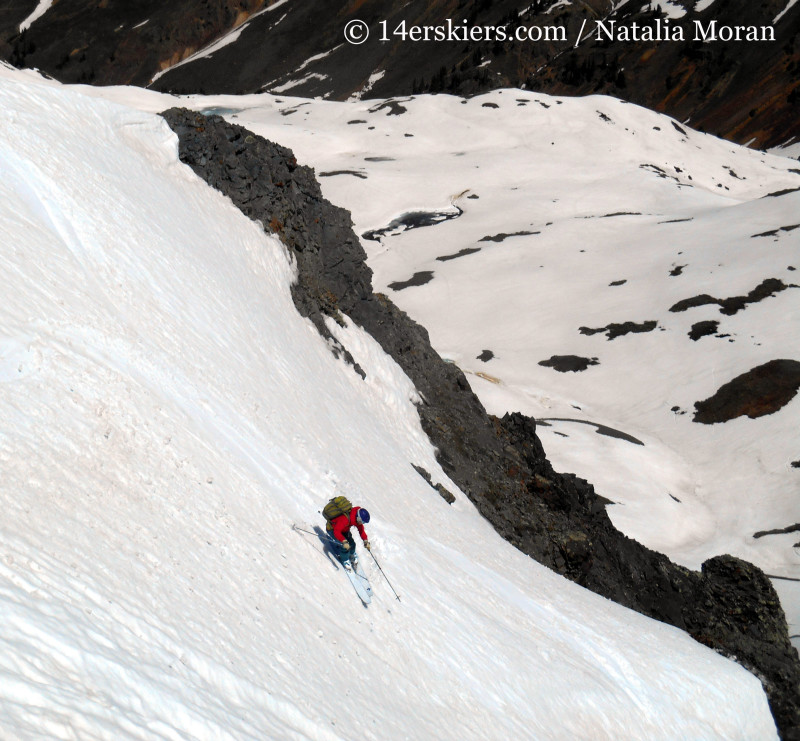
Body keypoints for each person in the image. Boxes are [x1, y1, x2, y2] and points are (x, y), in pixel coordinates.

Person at [324, 498, 371, 570]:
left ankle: (351, 554)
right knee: (345, 547)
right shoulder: (345, 519)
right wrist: (344, 541)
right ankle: (345, 560)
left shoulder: (356, 519)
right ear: (359, 518)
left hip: (343, 530)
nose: (362, 523)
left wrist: (365, 541)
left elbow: (361, 530)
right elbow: (336, 532)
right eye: (362, 522)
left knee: (352, 544)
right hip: (332, 529)